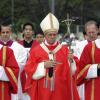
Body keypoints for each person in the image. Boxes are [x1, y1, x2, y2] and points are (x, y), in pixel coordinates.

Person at [24, 13, 79, 100]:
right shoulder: (35, 51)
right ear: (45, 35)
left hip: (61, 91)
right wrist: (43, 65)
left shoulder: (65, 50)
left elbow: (73, 72)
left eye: (54, 34)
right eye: (50, 35)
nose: (52, 37)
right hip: (43, 91)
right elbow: (28, 69)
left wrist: (71, 61)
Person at [0, 23, 28, 100]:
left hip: (14, 82)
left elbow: (19, 67)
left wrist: (1, 70)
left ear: (10, 33)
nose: (5, 34)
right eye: (3, 32)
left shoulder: (20, 48)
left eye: (7, 32)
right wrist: (7, 69)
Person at [74, 20, 99, 100]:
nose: (91, 35)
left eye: (93, 32)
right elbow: (81, 67)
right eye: (89, 33)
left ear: (98, 30)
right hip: (92, 83)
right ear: (86, 33)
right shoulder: (85, 47)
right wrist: (96, 68)